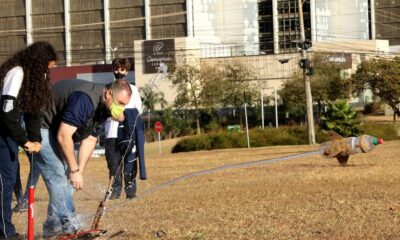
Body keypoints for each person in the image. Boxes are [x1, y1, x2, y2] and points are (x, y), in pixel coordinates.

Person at [35, 78, 132, 238]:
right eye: (120, 103)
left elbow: (90, 139)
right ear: (108, 93)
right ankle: (71, 226)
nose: (121, 110)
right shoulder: (85, 100)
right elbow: (64, 135)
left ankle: (52, 227)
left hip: (56, 130)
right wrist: (74, 170)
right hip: (39, 125)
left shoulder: (104, 108)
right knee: (58, 174)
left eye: (124, 105)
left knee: (67, 177)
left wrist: (78, 170)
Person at [0, 41, 57, 239]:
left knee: (9, 178)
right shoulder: (17, 73)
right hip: (2, 132)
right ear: (38, 63)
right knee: (5, 182)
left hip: (7, 133)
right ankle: (5, 233)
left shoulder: (35, 77)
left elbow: (33, 112)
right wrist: (24, 141)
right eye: (47, 68)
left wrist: (36, 139)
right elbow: (7, 112)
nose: (48, 73)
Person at [104, 58, 146, 200]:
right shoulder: (107, 88)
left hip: (128, 133)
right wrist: (113, 114)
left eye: (122, 69)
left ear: (127, 71)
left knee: (129, 161)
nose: (119, 72)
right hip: (111, 132)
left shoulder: (133, 89)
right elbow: (104, 108)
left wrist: (125, 116)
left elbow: (138, 109)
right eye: (116, 69)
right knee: (113, 163)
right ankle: (115, 190)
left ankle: (130, 190)